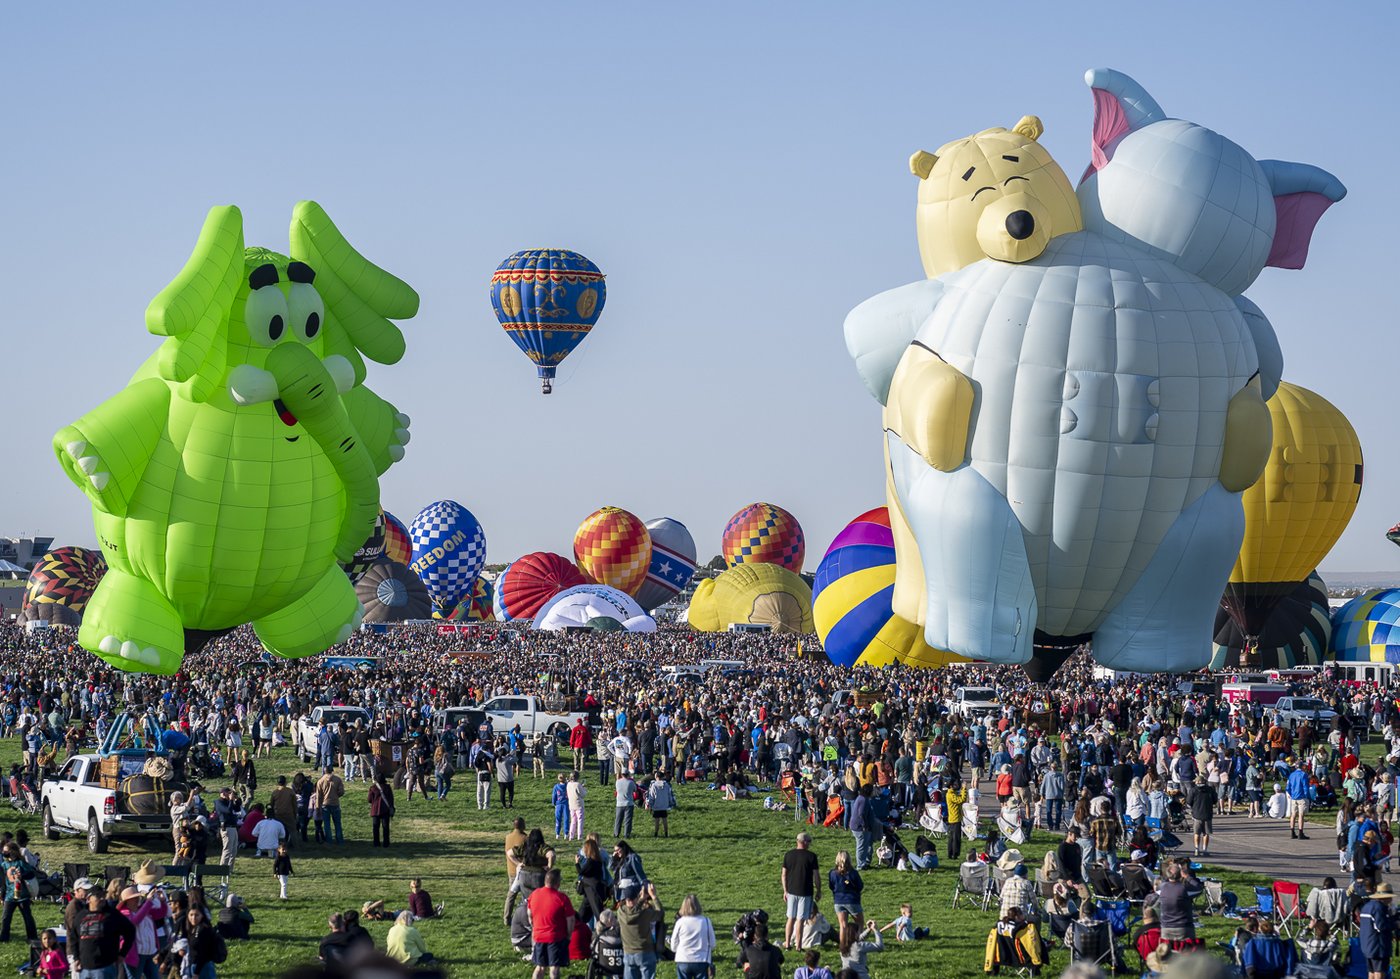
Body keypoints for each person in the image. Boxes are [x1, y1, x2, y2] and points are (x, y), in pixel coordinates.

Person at [74, 890, 135, 979]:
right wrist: (76, 958)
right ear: (89, 899)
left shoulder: (112, 914)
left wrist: (122, 954)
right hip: (85, 967)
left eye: (103, 895)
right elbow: (74, 938)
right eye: (98, 896)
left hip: (105, 966)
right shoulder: (81, 915)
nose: (102, 898)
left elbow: (130, 931)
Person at [527, 868, 575, 979]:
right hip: (556, 937)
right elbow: (571, 920)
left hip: (538, 936)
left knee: (540, 967)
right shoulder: (562, 898)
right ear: (557, 883)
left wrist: (535, 927)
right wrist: (568, 935)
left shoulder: (534, 895)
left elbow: (529, 914)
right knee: (554, 968)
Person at [781, 833, 821, 951]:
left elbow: (784, 874)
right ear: (803, 842)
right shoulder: (811, 856)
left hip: (791, 891)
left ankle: (788, 944)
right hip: (805, 892)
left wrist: (785, 890)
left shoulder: (788, 855)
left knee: (790, 918)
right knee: (800, 919)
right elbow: (816, 876)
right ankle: (798, 946)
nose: (810, 843)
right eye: (809, 841)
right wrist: (818, 890)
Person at [616, 880, 663, 979]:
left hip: (628, 953)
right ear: (636, 898)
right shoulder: (644, 913)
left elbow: (633, 910)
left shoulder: (621, 912)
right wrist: (653, 896)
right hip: (645, 952)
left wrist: (641, 899)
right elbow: (660, 914)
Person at [668, 893, 716, 979]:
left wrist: (676, 950)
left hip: (683, 959)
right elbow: (712, 944)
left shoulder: (680, 922)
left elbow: (673, 945)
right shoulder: (706, 921)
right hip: (701, 960)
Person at [1158, 858, 1205, 942]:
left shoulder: (1161, 889)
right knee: (1186, 953)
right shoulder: (1184, 889)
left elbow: (1163, 881)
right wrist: (1187, 876)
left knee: (1167, 953)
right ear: (1181, 874)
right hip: (1183, 927)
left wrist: (1170, 871)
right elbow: (1199, 888)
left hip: (1166, 927)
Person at [0, 841, 36, 943]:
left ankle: (32, 937)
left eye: (6, 851)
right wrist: (2, 896)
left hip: (22, 895)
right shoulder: (4, 864)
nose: (4, 852)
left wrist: (22, 876)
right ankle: (4, 937)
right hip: (9, 896)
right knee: (5, 918)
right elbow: (4, 882)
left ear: (12, 851)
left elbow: (31, 874)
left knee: (27, 917)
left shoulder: (21, 863)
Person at [1358, 881, 1395, 979]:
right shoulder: (1379, 908)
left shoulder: (1367, 906)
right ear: (1384, 897)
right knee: (1380, 971)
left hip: (1367, 945)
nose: (1391, 900)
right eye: (1389, 897)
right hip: (1378, 947)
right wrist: (1394, 923)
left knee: (1371, 972)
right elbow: (1381, 926)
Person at [827, 851, 863, 943]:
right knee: (859, 923)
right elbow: (860, 886)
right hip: (852, 900)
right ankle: (858, 942)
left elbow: (831, 886)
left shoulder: (832, 873)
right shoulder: (853, 873)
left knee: (843, 925)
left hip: (838, 901)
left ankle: (843, 945)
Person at [316, 765, 345, 844]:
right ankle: (340, 840)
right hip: (335, 803)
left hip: (325, 804)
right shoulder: (337, 779)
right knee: (337, 823)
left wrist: (318, 807)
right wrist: (336, 795)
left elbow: (318, 796)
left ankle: (329, 840)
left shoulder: (320, 781)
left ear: (325, 771)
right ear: (332, 770)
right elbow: (341, 792)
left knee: (327, 824)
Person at [368, 773, 395, 848]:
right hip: (385, 809)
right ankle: (386, 843)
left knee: (375, 827)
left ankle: (376, 843)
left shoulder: (372, 788)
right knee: (386, 827)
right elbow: (391, 799)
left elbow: (369, 799)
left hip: (375, 809)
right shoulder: (387, 787)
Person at [647, 770, 676, 838]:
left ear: (656, 777)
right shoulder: (667, 785)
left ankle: (656, 833)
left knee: (657, 821)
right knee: (665, 820)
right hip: (664, 805)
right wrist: (671, 803)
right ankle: (666, 833)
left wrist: (650, 805)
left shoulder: (654, 785)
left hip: (656, 806)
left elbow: (652, 796)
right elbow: (670, 795)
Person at [1287, 761, 1312, 840]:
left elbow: (1288, 787)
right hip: (1301, 796)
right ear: (1302, 767)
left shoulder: (1291, 775)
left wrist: (1292, 794)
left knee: (1293, 814)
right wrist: (1307, 796)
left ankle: (1292, 831)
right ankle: (1300, 832)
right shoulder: (1303, 775)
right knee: (1301, 815)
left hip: (1294, 797)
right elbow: (1305, 786)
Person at [945, 779, 968, 860]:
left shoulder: (951, 793)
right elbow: (962, 800)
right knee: (956, 838)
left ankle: (950, 853)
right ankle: (954, 854)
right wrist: (964, 789)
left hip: (953, 818)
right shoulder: (951, 795)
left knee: (952, 837)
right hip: (955, 818)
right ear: (951, 786)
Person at [614, 771, 637, 838]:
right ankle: (626, 834)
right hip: (629, 803)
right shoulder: (631, 782)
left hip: (619, 803)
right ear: (628, 775)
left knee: (618, 820)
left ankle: (616, 834)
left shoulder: (617, 782)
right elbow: (635, 789)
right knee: (628, 820)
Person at [567, 772, 587, 841]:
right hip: (578, 805)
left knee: (573, 820)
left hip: (571, 805)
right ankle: (579, 836)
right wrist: (584, 788)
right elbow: (583, 794)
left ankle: (571, 836)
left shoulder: (568, 784)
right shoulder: (578, 785)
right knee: (580, 820)